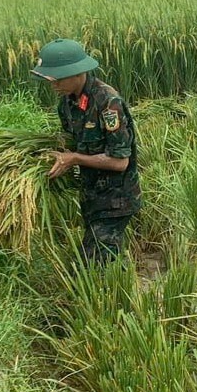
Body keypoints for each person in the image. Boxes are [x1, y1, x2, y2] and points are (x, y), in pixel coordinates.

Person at [32, 38, 141, 264]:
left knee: (91, 265)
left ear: (78, 73)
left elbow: (120, 162)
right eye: (50, 80)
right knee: (104, 259)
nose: (54, 85)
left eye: (58, 79)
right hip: (91, 197)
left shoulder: (107, 103)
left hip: (115, 199)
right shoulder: (67, 104)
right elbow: (72, 142)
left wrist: (73, 159)